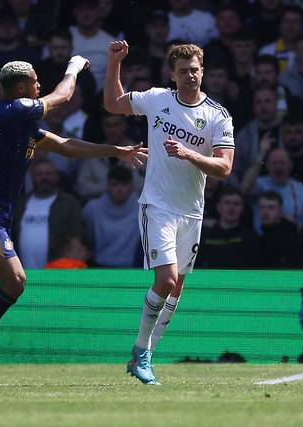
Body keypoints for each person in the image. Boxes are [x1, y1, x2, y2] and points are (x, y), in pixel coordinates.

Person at [0, 56, 146, 387]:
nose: (39, 86)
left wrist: (115, 150)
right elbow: (62, 96)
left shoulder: (19, 122)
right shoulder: (14, 109)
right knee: (15, 282)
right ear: (21, 88)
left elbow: (67, 146)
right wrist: (74, 67)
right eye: (35, 82)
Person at [103, 41, 234, 385]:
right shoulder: (158, 99)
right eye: (182, 71)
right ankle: (141, 352)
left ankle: (146, 356)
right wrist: (114, 63)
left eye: (194, 69)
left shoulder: (218, 116)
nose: (189, 76)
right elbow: (113, 104)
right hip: (157, 205)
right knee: (166, 280)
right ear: (172, 75)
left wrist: (190, 155)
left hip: (191, 212)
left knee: (176, 289)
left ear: (202, 71)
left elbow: (224, 168)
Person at [12, 158, 84, 268]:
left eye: (48, 174)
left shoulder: (69, 203)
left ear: (56, 176)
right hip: (22, 272)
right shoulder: (19, 204)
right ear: (32, 178)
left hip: (58, 272)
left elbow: (77, 238)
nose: (44, 177)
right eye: (39, 174)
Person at [83, 165, 140, 268]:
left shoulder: (142, 209)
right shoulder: (92, 208)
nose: (119, 189)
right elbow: (88, 239)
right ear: (107, 185)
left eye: (124, 184)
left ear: (131, 186)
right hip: (99, 267)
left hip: (134, 268)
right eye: (115, 184)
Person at [196, 186, 259, 269]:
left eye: (236, 204)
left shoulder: (251, 236)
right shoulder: (203, 235)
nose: (231, 208)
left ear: (242, 208)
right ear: (218, 207)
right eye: (227, 203)